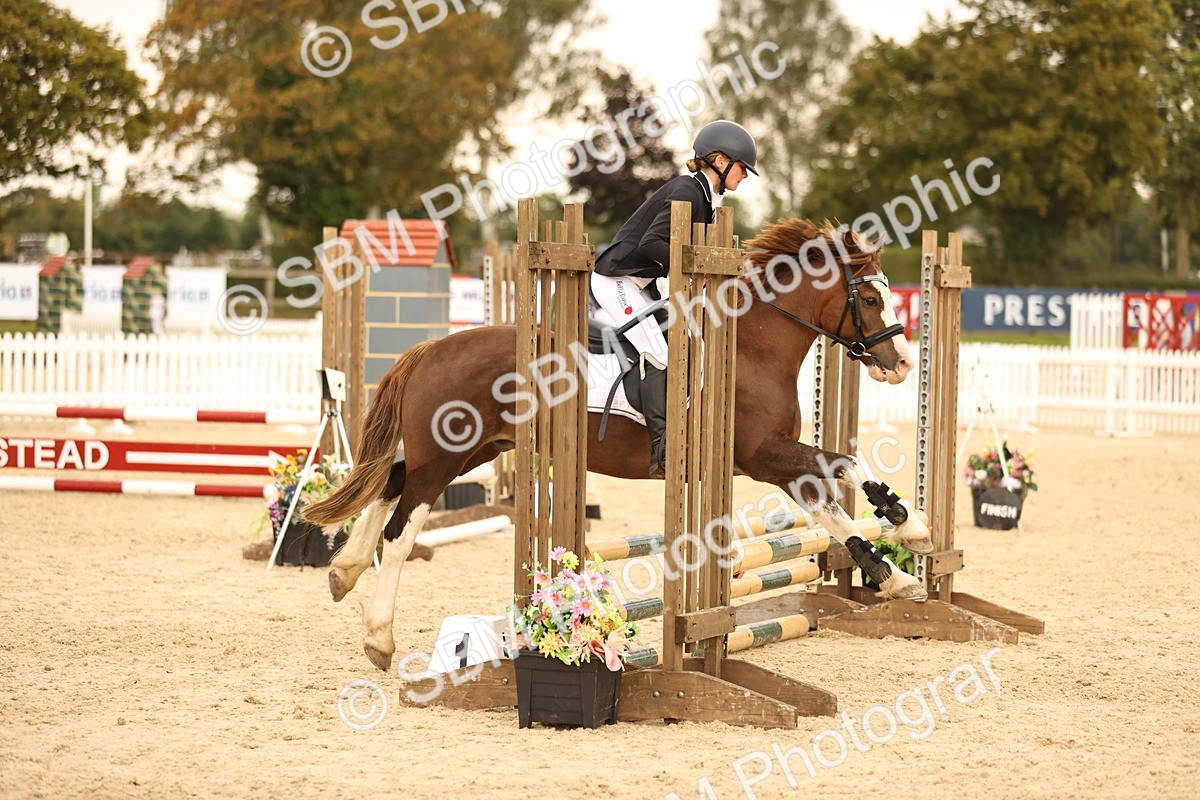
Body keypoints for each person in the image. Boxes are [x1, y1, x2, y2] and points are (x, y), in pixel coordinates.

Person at [591, 120, 758, 479]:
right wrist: (695, 270)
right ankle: (661, 448)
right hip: (617, 278)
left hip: (643, 282)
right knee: (660, 352)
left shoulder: (706, 199)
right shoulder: (687, 191)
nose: (745, 176)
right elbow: (651, 244)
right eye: (743, 167)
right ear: (720, 160)